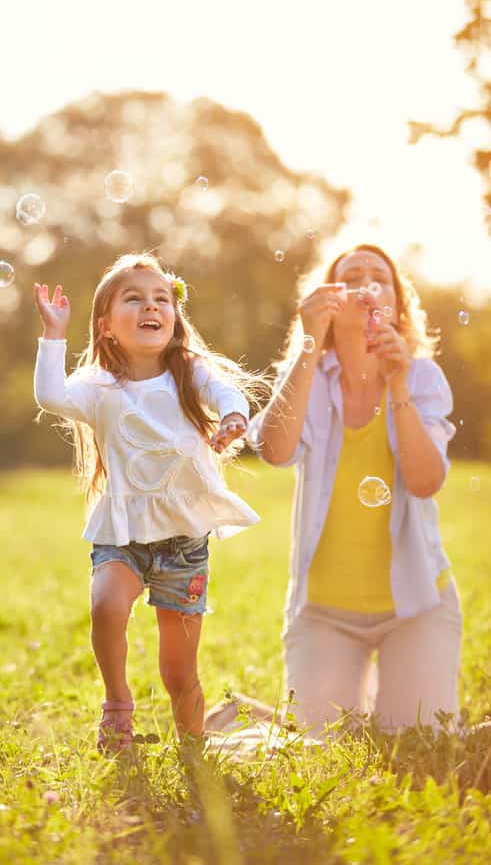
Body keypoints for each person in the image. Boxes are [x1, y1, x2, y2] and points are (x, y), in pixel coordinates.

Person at [33, 253, 267, 751]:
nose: (151, 306)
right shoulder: (98, 387)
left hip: (184, 543)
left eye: (162, 298)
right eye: (134, 298)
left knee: (179, 669)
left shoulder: (188, 373)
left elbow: (227, 392)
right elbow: (50, 395)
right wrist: (54, 334)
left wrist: (232, 418)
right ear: (107, 325)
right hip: (122, 533)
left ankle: (193, 745)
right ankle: (117, 703)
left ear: (174, 316)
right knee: (106, 605)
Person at [245, 243, 461, 734]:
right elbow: (275, 451)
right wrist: (307, 343)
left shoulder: (421, 376)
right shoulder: (307, 377)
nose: (366, 283)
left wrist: (398, 385)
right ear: (328, 300)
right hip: (325, 613)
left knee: (416, 739)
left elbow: (426, 483)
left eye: (379, 278)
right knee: (323, 745)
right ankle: (240, 712)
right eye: (351, 275)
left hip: (416, 607)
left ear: (396, 306)